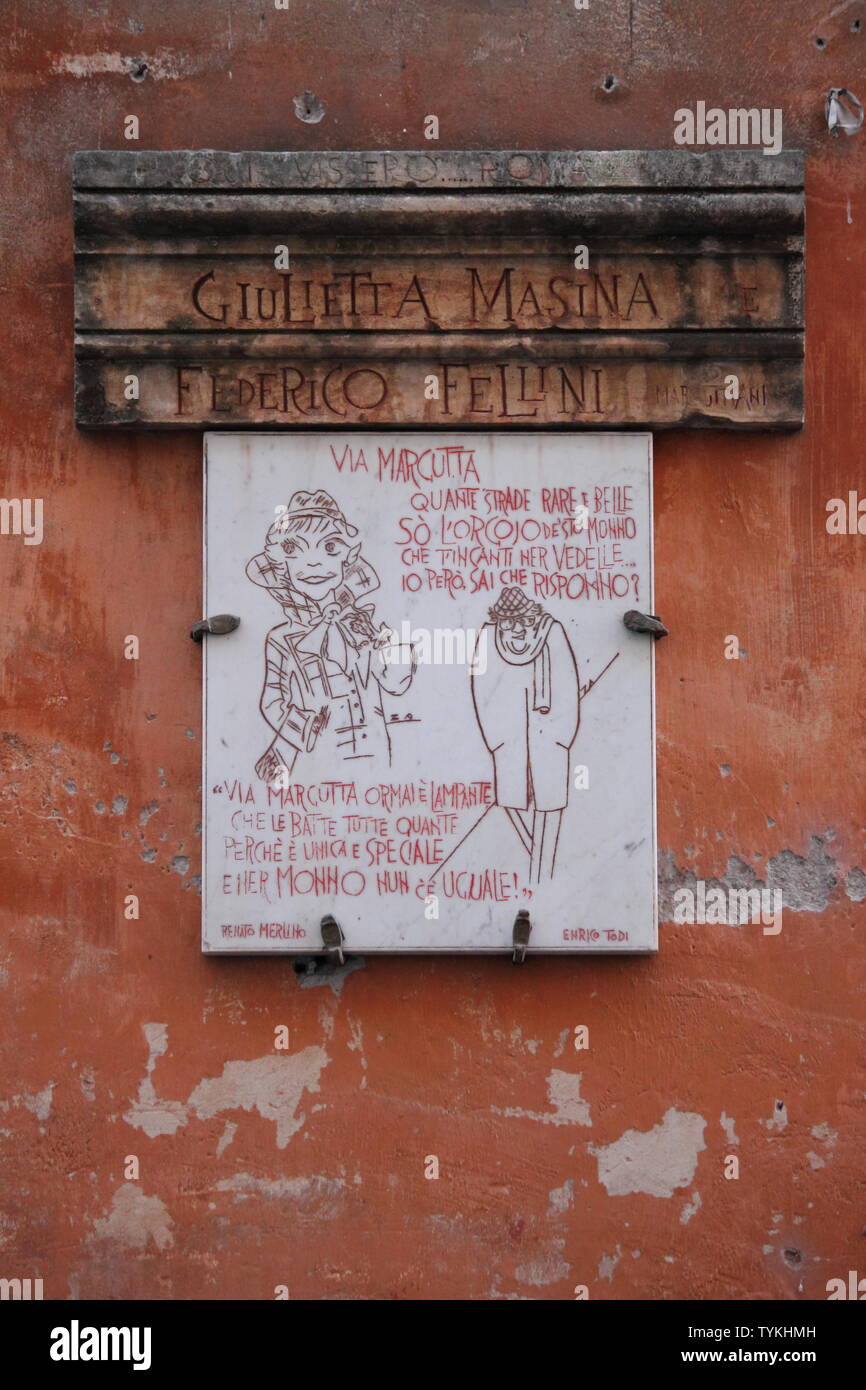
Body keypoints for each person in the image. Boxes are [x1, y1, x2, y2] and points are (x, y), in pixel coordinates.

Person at [246, 490, 415, 783]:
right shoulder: (282, 638)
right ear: (282, 565)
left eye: (330, 547)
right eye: (294, 549)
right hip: (317, 759)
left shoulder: (361, 623)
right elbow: (271, 701)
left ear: (346, 560)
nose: (313, 563)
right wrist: (305, 726)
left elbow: (395, 683)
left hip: (375, 752)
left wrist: (391, 646)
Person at [470, 586, 579, 882]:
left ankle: (542, 872)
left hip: (549, 733)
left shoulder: (551, 632)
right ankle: (537, 865)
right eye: (507, 622)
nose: (515, 629)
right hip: (507, 735)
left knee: (550, 802)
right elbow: (482, 688)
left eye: (521, 621)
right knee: (510, 800)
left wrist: (562, 736)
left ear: (531, 616)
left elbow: (567, 684)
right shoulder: (489, 638)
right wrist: (495, 740)